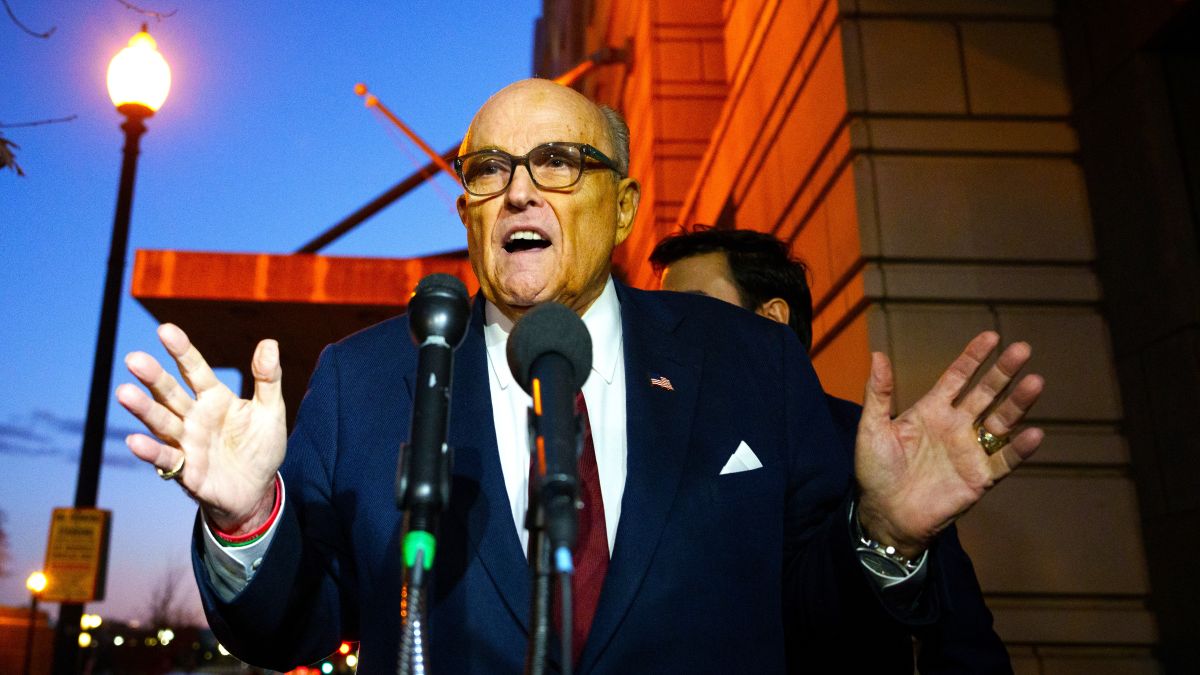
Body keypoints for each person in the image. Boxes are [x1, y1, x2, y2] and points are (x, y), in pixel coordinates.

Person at [116, 79, 1044, 674]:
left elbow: (820, 624)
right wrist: (245, 520)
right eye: (489, 169)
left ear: (626, 204)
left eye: (558, 162)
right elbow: (294, 629)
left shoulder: (746, 361)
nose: (520, 190)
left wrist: (881, 533)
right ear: (469, 209)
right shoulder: (365, 381)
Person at [651, 225, 1014, 673]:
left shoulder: (867, 448)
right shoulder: (654, 443)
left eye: (694, 307)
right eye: (665, 311)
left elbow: (963, 644)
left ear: (772, 318)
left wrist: (886, 534)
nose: (667, 328)